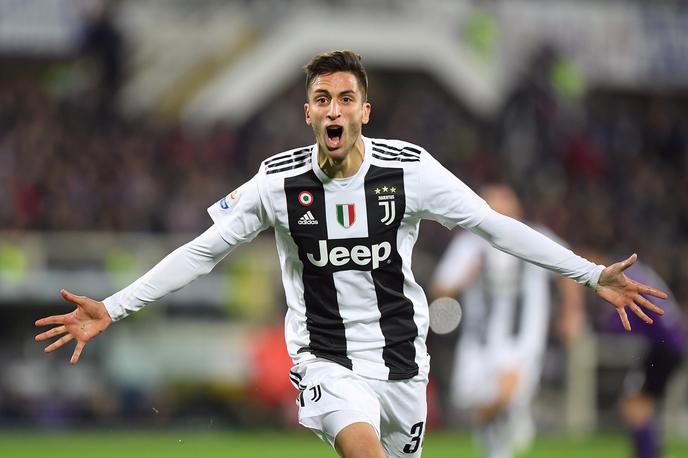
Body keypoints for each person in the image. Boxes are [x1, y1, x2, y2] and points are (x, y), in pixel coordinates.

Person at [35, 50, 667, 458]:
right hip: (326, 359)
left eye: (345, 99)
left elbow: (493, 226)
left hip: (403, 364)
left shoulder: (410, 170)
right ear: (307, 112)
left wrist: (588, 276)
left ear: (364, 110)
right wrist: (113, 308)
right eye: (321, 99)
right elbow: (202, 253)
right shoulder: (276, 183)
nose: (333, 110)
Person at [429, 183, 585, 458]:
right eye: (491, 203)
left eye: (502, 203)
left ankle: (515, 411)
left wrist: (572, 311)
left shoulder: (534, 236)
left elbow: (568, 268)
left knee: (504, 394)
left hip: (522, 337)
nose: (497, 209)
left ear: (516, 207)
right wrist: (465, 277)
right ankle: (499, 447)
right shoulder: (470, 243)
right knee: (483, 411)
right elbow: (440, 288)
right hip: (479, 340)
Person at [587, 251, 685, 458]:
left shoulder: (625, 280)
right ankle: (649, 452)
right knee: (639, 403)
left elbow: (620, 320)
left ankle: (648, 454)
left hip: (664, 349)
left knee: (635, 404)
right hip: (668, 346)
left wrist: (600, 326)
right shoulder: (642, 274)